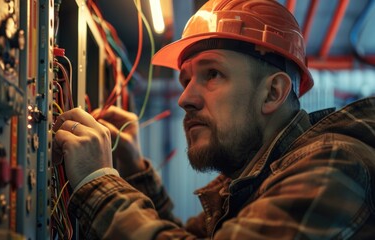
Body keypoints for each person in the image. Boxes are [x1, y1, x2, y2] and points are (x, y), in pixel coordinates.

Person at [53, 0, 375, 239]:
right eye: (185, 80)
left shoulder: (334, 168)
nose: (184, 98)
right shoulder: (246, 182)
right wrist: (134, 169)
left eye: (212, 74)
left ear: (273, 93)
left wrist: (96, 183)